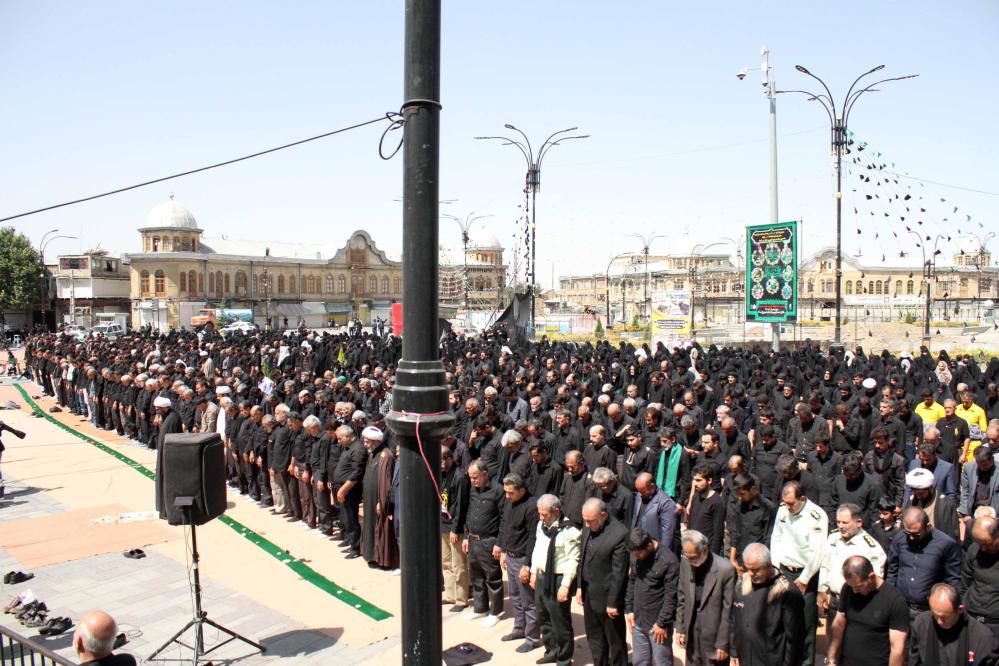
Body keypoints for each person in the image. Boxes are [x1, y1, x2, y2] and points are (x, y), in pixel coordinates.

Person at [769, 480, 827, 666]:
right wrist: (776, 570)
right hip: (784, 571)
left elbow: (817, 551)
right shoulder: (783, 510)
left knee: (806, 624)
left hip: (805, 576)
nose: (788, 506)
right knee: (782, 618)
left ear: (803, 499)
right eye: (785, 502)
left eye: (791, 503)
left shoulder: (816, 516)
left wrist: (804, 579)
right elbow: (776, 539)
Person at [825, 555, 909, 666]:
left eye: (859, 586)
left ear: (871, 576)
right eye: (852, 586)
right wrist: (831, 658)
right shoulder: (848, 589)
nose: (854, 591)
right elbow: (839, 624)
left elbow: (898, 649)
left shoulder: (895, 601)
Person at [730, 542, 805, 666]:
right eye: (748, 568)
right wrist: (734, 650)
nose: (751, 573)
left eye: (755, 570)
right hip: (745, 657)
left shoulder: (786, 591)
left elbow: (795, 638)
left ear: (768, 565)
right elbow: (734, 620)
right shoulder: (742, 584)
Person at [575, 497, 629, 666]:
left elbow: (618, 573)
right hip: (589, 592)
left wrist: (613, 603)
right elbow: (582, 558)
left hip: (608, 598)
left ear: (603, 516)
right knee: (594, 637)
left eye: (590, 521)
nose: (587, 525)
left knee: (615, 641)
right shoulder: (589, 526)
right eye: (585, 521)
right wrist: (579, 587)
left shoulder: (619, 534)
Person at [530, 494, 581, 666]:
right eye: (540, 513)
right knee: (543, 617)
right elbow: (538, 549)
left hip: (558, 579)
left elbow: (572, 560)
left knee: (560, 622)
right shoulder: (541, 525)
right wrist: (533, 571)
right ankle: (551, 650)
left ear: (556, 511)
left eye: (544, 514)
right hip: (542, 576)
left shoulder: (569, 531)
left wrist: (565, 586)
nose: (541, 517)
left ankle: (564, 659)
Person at [886, 507, 962, 619]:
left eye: (916, 534)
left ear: (928, 527)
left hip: (927, 612)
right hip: (901, 606)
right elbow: (892, 570)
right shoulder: (900, 538)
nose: (911, 538)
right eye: (908, 533)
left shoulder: (946, 544)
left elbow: (953, 580)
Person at [818, 503, 888, 625]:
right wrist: (822, 589)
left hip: (857, 604)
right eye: (839, 522)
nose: (840, 526)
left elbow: (875, 581)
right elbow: (825, 564)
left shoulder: (871, 548)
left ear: (859, 522)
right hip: (834, 601)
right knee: (833, 641)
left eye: (845, 523)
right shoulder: (833, 538)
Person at [676, 529, 735, 666]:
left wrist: (723, 642)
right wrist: (680, 627)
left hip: (714, 634)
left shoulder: (726, 569)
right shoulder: (685, 563)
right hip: (692, 628)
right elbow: (682, 596)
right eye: (687, 556)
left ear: (704, 550)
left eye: (693, 557)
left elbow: (729, 610)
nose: (691, 561)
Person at [498, 473, 540, 653]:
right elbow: (504, 526)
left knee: (528, 601)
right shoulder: (509, 503)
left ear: (521, 490)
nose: (507, 496)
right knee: (515, 597)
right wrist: (502, 550)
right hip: (510, 555)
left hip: (523, 558)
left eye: (510, 493)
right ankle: (519, 629)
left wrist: (527, 565)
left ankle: (532, 638)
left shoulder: (531, 507)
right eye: (506, 492)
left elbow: (533, 537)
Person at [624, 527, 679, 666]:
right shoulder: (635, 555)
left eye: (638, 554)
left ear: (649, 545)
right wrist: (629, 609)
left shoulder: (668, 560)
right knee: (640, 662)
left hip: (657, 626)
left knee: (661, 662)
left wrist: (662, 623)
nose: (636, 557)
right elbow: (632, 582)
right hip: (638, 621)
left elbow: (671, 596)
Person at [909, 583, 999, 666]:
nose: (939, 621)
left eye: (944, 617)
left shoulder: (982, 638)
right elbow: (914, 661)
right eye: (935, 615)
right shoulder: (921, 624)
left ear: (960, 609)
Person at [463, 459, 505, 627]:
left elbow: (503, 518)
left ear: (485, 474)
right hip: (473, 539)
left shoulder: (498, 491)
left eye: (475, 477)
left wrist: (499, 543)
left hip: (489, 541)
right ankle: (480, 608)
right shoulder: (473, 490)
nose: (473, 481)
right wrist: (466, 536)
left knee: (492, 577)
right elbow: (469, 512)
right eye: (471, 478)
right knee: (476, 576)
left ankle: (495, 611)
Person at [360, 426, 397, 570]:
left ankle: (381, 559)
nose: (365, 443)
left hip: (378, 500)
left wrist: (381, 502)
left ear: (375, 441)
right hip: (369, 499)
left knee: (380, 528)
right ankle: (371, 555)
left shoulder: (386, 455)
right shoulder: (372, 453)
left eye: (367, 441)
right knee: (369, 526)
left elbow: (386, 482)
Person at [440, 445, 470, 611]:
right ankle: (450, 595)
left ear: (450, 458)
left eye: (443, 460)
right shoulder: (441, 475)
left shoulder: (459, 477)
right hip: (442, 523)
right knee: (446, 563)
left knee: (458, 565)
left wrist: (455, 529)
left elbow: (461, 505)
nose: (441, 464)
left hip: (454, 527)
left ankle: (461, 599)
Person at [960, 515, 999, 643]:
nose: (983, 548)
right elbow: (964, 583)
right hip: (972, 618)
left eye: (987, 543)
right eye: (979, 543)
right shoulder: (974, 551)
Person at [727, 473, 775, 573]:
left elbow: (768, 538)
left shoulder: (768, 508)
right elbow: (735, 531)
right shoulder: (739, 505)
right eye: (738, 494)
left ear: (753, 489)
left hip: (758, 563)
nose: (740, 497)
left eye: (742, 494)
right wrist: (732, 557)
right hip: (741, 559)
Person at [905, 467, 960, 542]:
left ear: (930, 488)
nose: (918, 497)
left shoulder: (944, 504)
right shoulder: (912, 501)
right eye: (916, 493)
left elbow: (951, 532)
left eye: (921, 494)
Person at [687, 462, 726, 555]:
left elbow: (718, 533)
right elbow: (691, 522)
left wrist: (713, 556)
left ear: (709, 480)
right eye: (694, 480)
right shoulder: (696, 497)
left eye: (699, 480)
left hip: (706, 552)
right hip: (693, 549)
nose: (695, 484)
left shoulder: (717, 502)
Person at [153, 395, 182, 520]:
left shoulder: (172, 419)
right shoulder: (167, 418)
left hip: (169, 458)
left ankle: (168, 510)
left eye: (158, 409)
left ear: (164, 408)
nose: (156, 411)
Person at [631, 472, 676, 550]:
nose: (640, 494)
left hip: (652, 548)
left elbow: (667, 534)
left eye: (643, 491)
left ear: (653, 486)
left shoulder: (666, 503)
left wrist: (663, 553)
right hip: (637, 544)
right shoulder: (640, 495)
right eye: (638, 491)